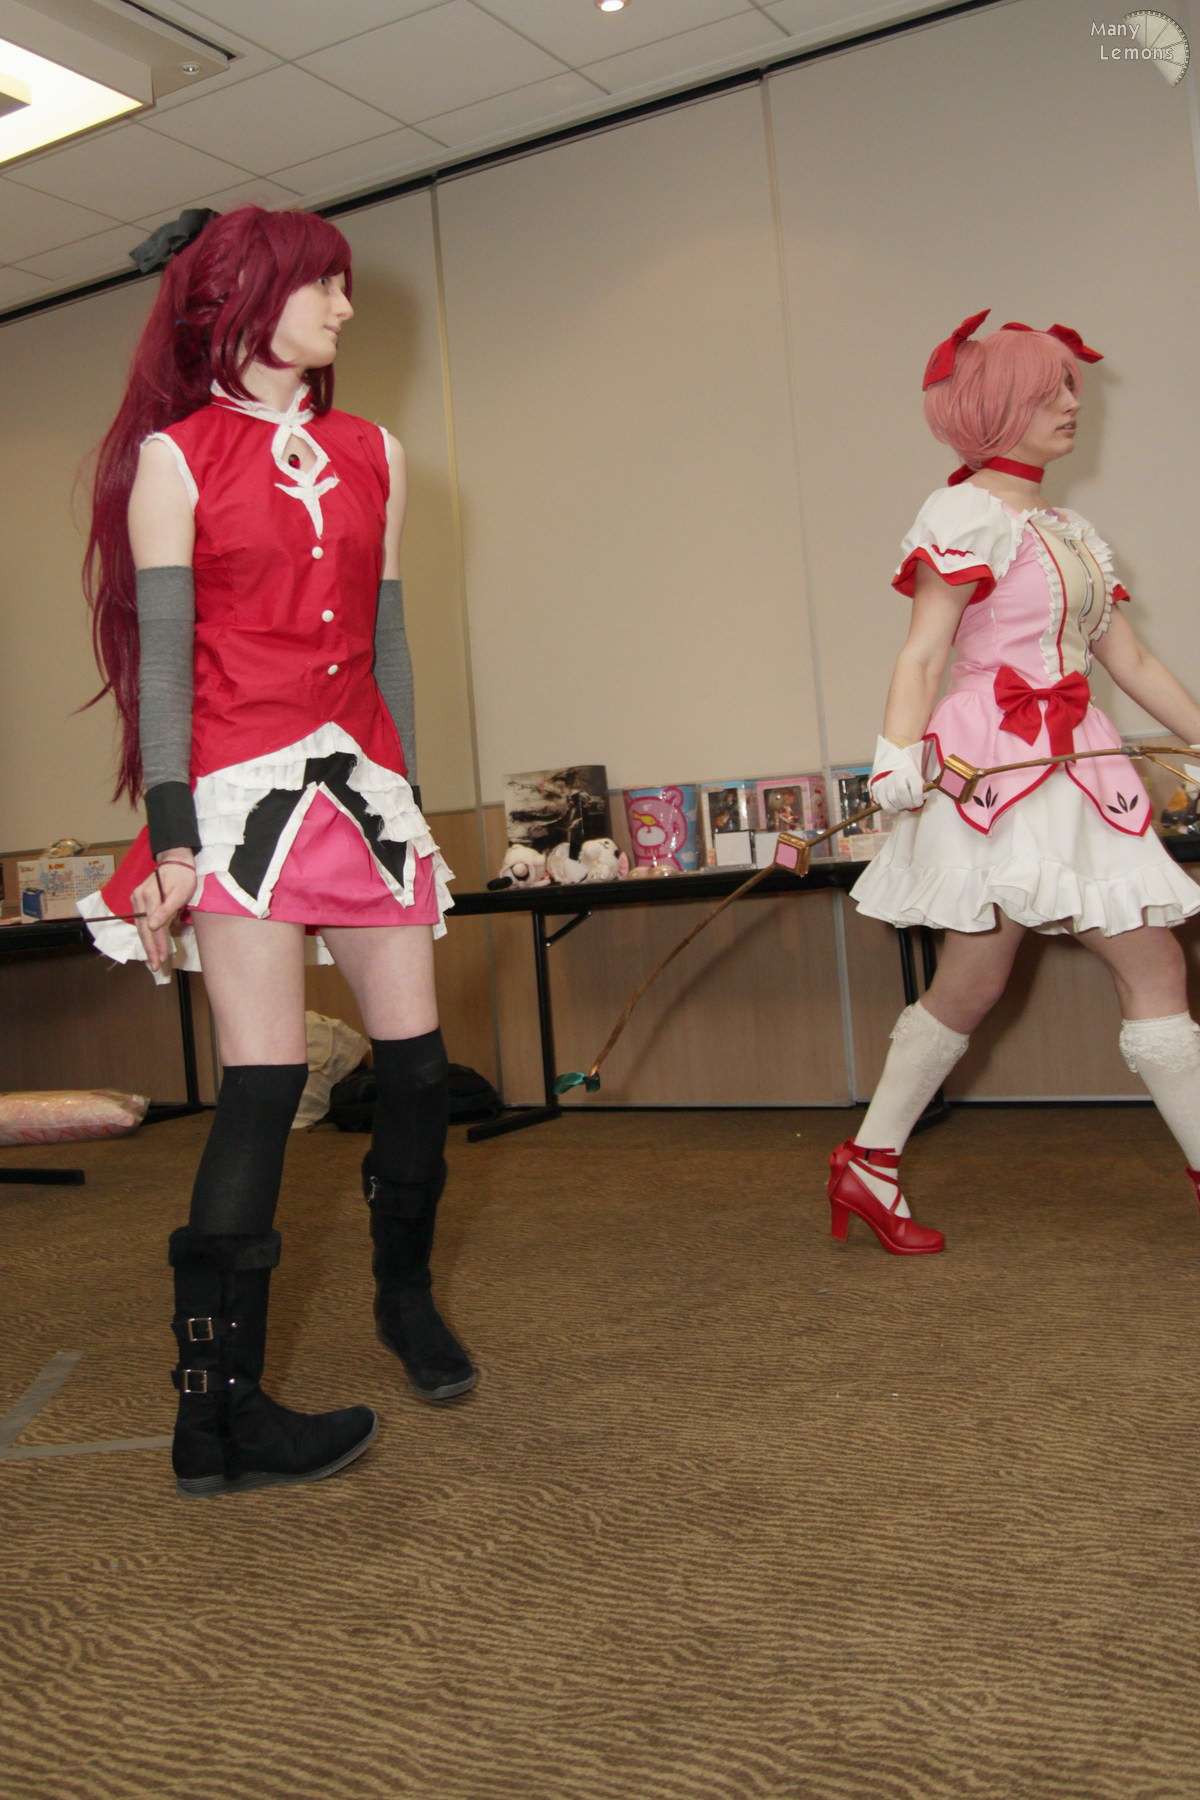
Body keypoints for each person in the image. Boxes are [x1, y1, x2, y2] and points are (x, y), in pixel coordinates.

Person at [81, 206, 475, 1497]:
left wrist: (408, 802)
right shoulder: (176, 459)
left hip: (363, 788)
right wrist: (173, 841)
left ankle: (404, 1299)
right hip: (240, 794)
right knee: (261, 1086)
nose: (345, 308)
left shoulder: (375, 451)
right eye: (323, 286)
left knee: (418, 1072)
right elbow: (162, 666)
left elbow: (389, 640)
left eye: (345, 287)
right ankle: (218, 1414)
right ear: (248, 298)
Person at [830, 310, 1200, 1255]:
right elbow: (924, 651)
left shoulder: (1068, 529)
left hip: (1076, 761)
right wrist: (895, 754)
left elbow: (1132, 661)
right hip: (996, 762)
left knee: (990, 975)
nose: (1073, 404)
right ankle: (869, 1164)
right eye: (1049, 392)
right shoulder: (962, 513)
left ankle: (868, 1163)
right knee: (1048, 971)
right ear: (995, 409)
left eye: (1071, 387)